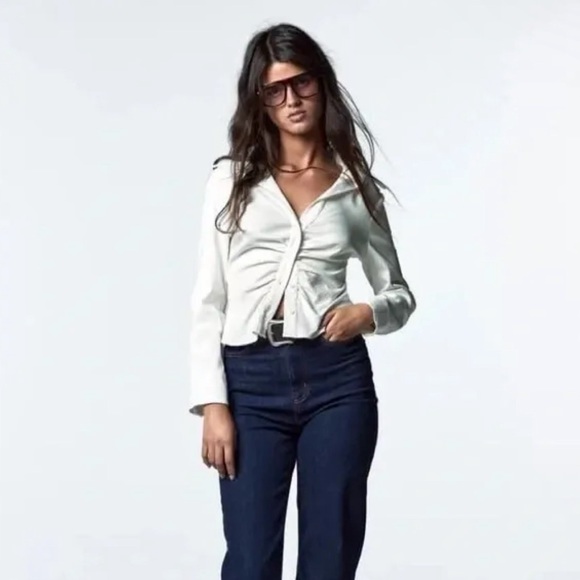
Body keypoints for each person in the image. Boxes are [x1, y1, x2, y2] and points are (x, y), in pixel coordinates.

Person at [188, 22, 417, 580]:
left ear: (321, 83)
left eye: (302, 83)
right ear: (259, 99)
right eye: (275, 90)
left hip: (337, 381)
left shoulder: (354, 186)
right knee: (249, 561)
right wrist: (212, 404)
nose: (291, 100)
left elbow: (399, 293)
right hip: (249, 384)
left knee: (330, 556)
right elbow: (209, 298)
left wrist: (368, 313)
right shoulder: (231, 181)